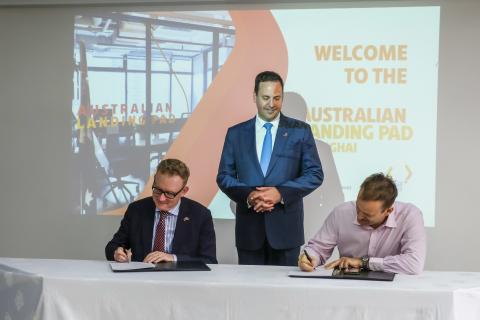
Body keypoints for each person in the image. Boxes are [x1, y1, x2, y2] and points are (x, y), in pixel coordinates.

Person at [217, 70, 323, 266]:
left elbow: (314, 174)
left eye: (277, 98)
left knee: (285, 294)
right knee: (249, 294)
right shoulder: (236, 133)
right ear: (254, 96)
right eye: (265, 97)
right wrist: (250, 196)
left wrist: (280, 193)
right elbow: (224, 176)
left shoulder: (300, 131)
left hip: (286, 231)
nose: (271, 104)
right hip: (249, 230)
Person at [299, 173, 426, 275]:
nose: (359, 217)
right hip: (348, 285)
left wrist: (363, 262)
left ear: (388, 211)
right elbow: (318, 248)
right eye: (358, 208)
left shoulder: (410, 215)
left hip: (394, 288)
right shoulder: (341, 212)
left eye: (367, 215)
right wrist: (309, 257)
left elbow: (414, 263)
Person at [105, 158, 217, 264]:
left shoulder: (200, 215)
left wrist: (173, 258)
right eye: (157, 190)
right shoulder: (137, 210)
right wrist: (117, 253)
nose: (161, 198)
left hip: (182, 279)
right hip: (142, 278)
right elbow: (113, 246)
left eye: (169, 194)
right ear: (154, 181)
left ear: (184, 191)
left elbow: (209, 260)